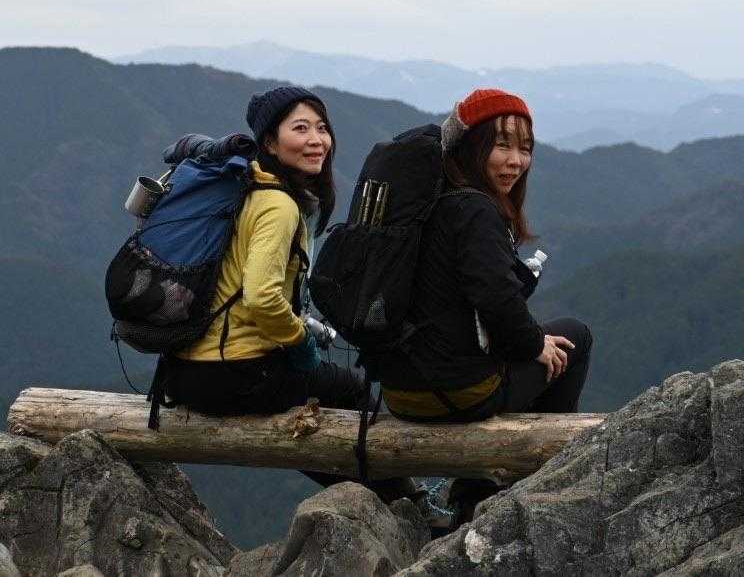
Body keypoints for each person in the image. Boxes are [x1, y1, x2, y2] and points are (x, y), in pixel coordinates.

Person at [162, 84, 417, 502]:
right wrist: (299, 341)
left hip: (184, 371)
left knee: (310, 394)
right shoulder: (278, 206)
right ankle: (402, 501)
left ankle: (370, 493)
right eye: (301, 129)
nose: (317, 140)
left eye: (322, 127)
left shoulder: (243, 186)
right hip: (234, 373)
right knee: (350, 390)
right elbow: (261, 296)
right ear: (269, 142)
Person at [378, 89, 593, 518]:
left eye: (525, 149)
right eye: (502, 146)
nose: (516, 161)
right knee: (574, 337)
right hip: (455, 394)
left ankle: (473, 494)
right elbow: (497, 302)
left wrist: (529, 339)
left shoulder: (424, 205)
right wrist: (535, 343)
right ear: (472, 147)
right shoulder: (475, 210)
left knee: (537, 343)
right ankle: (540, 484)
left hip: (399, 392)